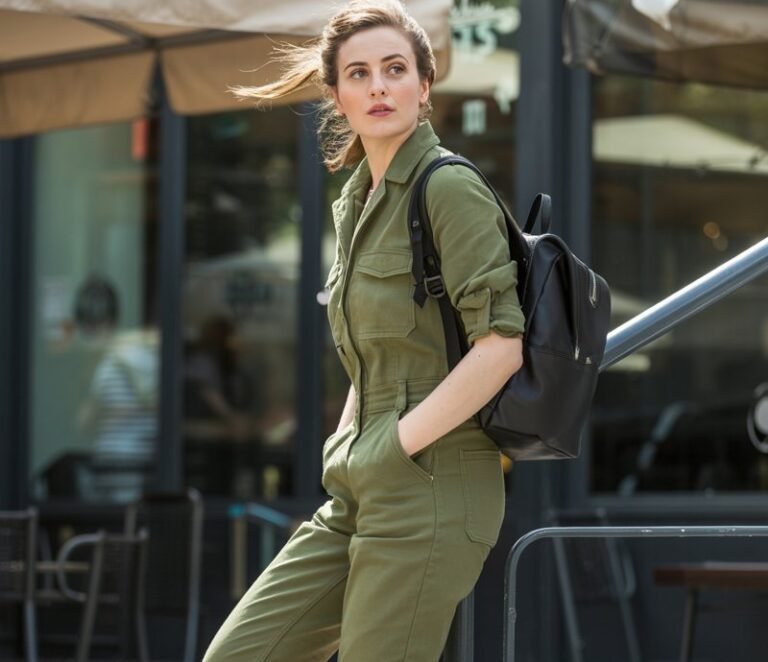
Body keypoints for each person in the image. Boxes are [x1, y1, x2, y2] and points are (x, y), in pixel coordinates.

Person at [203, 1, 525, 659]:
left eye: (395, 68)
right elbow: (367, 360)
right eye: (359, 73)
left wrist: (387, 447)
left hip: (433, 487)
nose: (378, 85)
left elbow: (500, 350)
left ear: (424, 86)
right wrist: (350, 448)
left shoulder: (448, 188)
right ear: (337, 96)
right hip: (360, 486)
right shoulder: (355, 202)